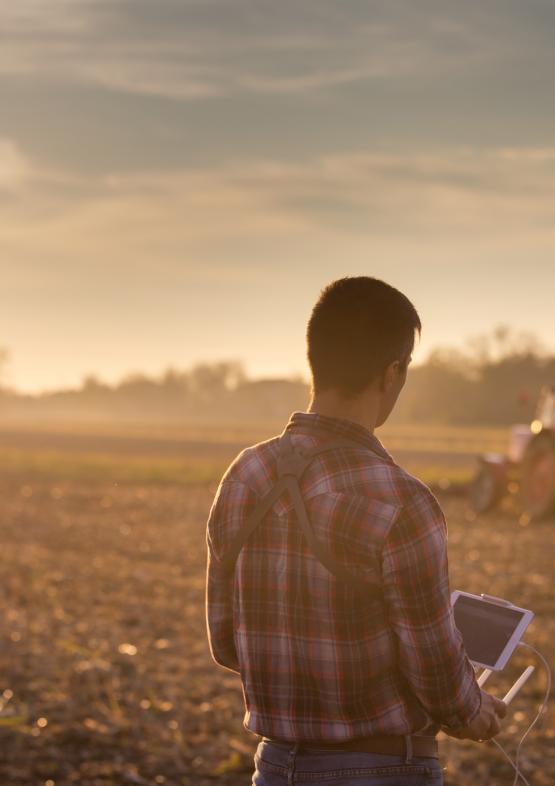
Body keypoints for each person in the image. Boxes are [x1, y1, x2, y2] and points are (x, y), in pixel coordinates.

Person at [206, 276, 507, 786]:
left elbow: (224, 642)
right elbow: (434, 667)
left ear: (315, 359)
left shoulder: (245, 476)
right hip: (385, 770)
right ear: (392, 373)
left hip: (274, 767)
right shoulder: (401, 500)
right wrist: (472, 711)